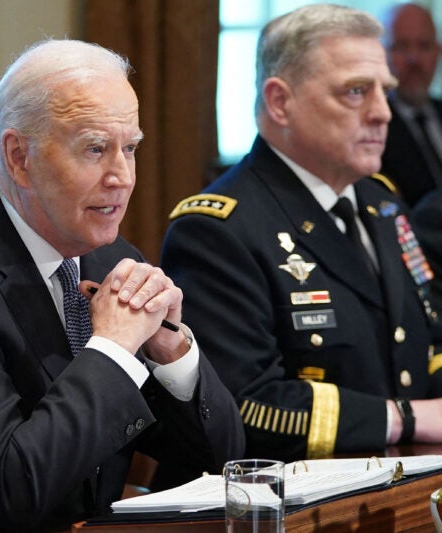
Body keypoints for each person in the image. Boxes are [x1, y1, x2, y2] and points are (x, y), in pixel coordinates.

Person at [0, 39, 244, 532]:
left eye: (131, 149)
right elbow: (15, 489)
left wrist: (173, 355)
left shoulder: (114, 259)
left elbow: (221, 457)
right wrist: (115, 349)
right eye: (95, 149)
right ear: (19, 158)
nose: (121, 176)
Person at [161, 4, 442, 462]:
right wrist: (406, 418)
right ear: (279, 102)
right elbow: (244, 404)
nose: (382, 113)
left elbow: (428, 342)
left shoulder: (383, 204)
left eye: (383, 91)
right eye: (355, 91)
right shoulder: (216, 230)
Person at [380, 2, 442, 207]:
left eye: (424, 46)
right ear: (383, 54)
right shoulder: (375, 127)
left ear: (438, 52)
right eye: (401, 46)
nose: (413, 59)